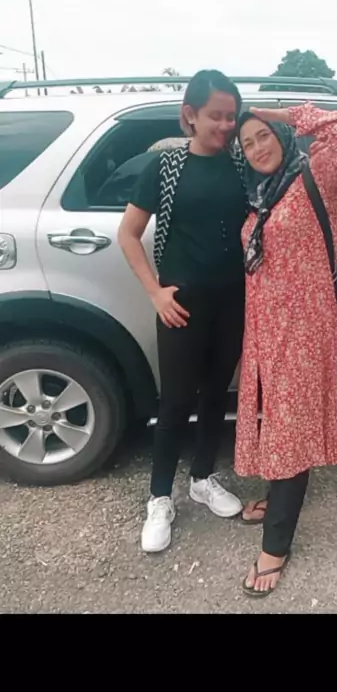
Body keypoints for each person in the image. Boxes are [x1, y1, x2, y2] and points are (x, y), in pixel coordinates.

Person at [235, 101, 337, 596]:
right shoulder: (259, 195)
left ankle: (276, 546)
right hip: (265, 331)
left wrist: (283, 111)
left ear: (281, 135)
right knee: (277, 421)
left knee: (290, 428)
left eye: (264, 135)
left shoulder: (317, 176)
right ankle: (278, 497)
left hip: (302, 329)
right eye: (247, 143)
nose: (257, 148)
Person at [118, 70, 247, 553]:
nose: (226, 125)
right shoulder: (166, 166)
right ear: (189, 115)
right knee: (174, 403)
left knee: (216, 394)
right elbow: (128, 234)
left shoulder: (243, 165)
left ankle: (202, 479)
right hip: (182, 306)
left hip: (233, 301)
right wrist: (155, 293)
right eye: (216, 116)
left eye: (232, 116)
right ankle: (159, 498)